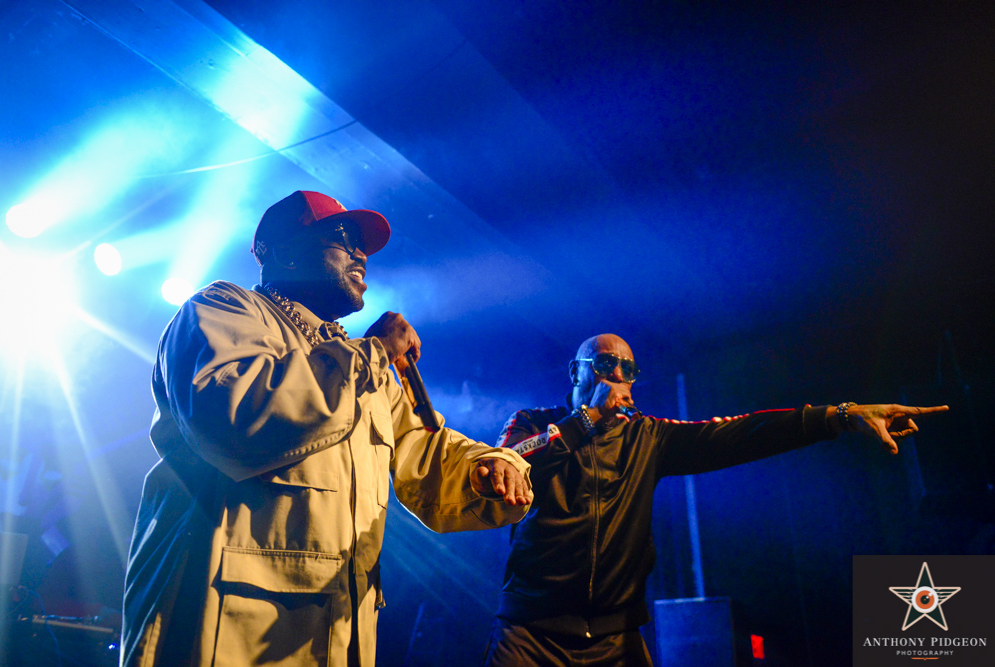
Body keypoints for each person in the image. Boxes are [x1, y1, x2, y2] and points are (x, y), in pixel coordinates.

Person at [120, 190, 533, 667]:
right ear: (285, 249)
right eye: (343, 237)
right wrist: (372, 353)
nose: (361, 254)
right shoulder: (222, 311)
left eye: (363, 243)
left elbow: (431, 454)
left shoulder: (359, 366)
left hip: (336, 633)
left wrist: (492, 467)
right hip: (229, 627)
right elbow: (237, 421)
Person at [482, 333, 947, 667]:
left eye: (629, 370)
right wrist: (587, 420)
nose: (619, 377)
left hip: (614, 637)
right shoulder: (532, 422)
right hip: (531, 635)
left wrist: (841, 416)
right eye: (605, 365)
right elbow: (509, 460)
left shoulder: (648, 438)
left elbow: (742, 432)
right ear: (577, 372)